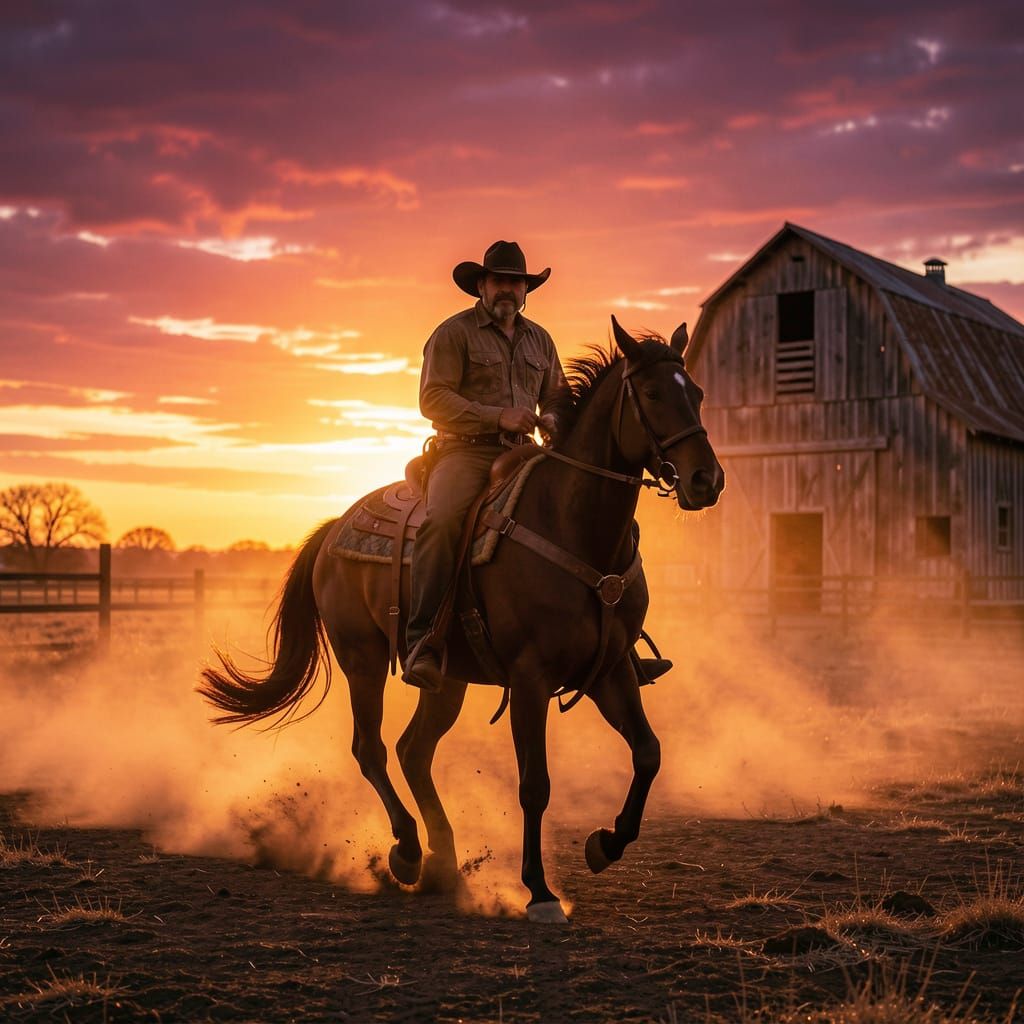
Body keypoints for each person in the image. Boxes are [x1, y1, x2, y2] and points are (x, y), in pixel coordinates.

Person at [403, 240, 670, 693]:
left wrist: (553, 418)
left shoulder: (539, 340)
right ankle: (423, 640)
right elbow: (433, 398)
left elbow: (556, 397)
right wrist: (497, 415)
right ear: (481, 286)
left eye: (516, 283)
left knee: (598, 517)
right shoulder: (453, 333)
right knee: (444, 520)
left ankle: (617, 645)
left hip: (524, 449)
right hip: (464, 451)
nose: (507, 290)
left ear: (526, 290)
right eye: (499, 281)